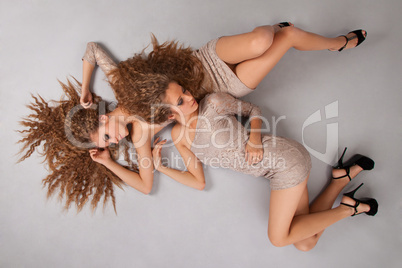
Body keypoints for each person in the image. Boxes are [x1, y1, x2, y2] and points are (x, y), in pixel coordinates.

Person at [150, 82, 378, 251]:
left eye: (184, 90)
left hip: (284, 161)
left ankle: (351, 208)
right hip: (274, 173)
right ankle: (340, 180)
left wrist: (255, 139)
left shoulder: (213, 103)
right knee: (305, 243)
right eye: (180, 101)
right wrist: (161, 168)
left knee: (278, 239)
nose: (189, 97)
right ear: (170, 114)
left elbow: (253, 110)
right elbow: (198, 182)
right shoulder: (179, 137)